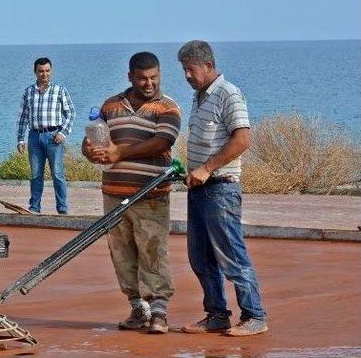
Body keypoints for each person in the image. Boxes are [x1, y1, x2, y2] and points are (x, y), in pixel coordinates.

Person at [82, 52, 181, 334]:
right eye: (142, 78)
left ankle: (159, 310)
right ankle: (138, 308)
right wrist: (90, 151)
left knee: (152, 251)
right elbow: (91, 142)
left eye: (154, 78)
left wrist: (119, 151)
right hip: (114, 194)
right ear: (130, 77)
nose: (149, 83)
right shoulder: (110, 106)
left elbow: (163, 141)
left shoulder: (167, 108)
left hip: (150, 196)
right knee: (121, 252)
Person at [178, 40, 268, 336]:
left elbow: (242, 140)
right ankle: (217, 314)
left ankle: (255, 316)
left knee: (231, 254)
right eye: (184, 70)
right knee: (200, 256)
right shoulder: (200, 96)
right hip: (199, 190)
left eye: (190, 69)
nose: (187, 76)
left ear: (207, 65)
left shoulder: (229, 93)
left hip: (221, 189)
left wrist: (206, 168)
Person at [16, 57, 75, 214]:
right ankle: (34, 207)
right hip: (34, 137)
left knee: (57, 174)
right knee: (35, 175)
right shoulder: (28, 92)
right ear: (35, 72)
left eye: (47, 71)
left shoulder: (59, 90)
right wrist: (20, 139)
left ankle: (62, 208)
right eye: (41, 71)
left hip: (54, 137)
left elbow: (70, 113)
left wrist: (63, 133)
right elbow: (22, 117)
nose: (44, 74)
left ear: (51, 71)